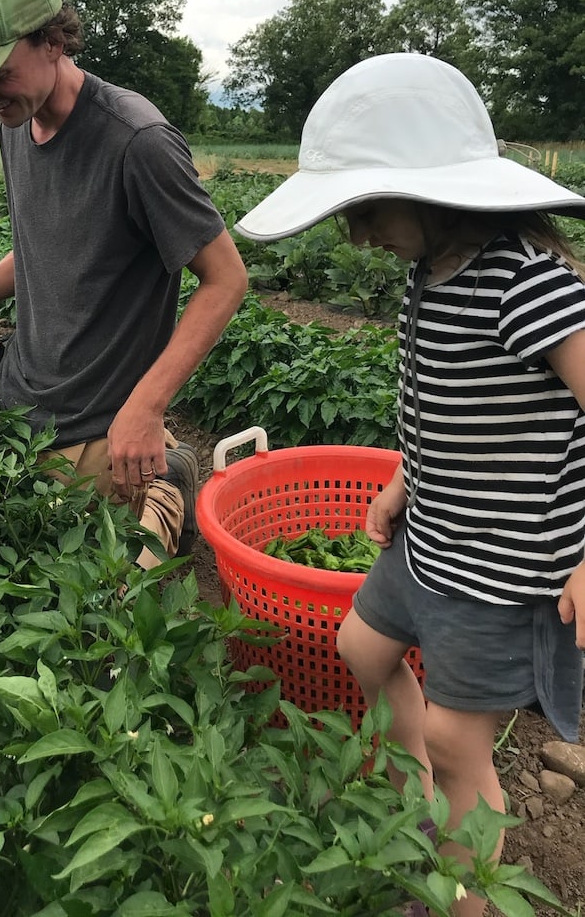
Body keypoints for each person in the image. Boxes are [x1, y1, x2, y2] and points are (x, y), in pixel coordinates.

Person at [235, 52, 585, 917]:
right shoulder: (429, 277)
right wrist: (403, 477)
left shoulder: (524, 284)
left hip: (503, 564)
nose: (358, 235)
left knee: (456, 738)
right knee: (361, 649)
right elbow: (443, 405)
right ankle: (416, 811)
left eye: (368, 210)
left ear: (435, 195)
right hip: (432, 533)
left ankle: (465, 899)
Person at [0, 0, 247, 567]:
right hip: (18, 403)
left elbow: (226, 280)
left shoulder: (136, 141)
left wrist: (144, 409)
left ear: (53, 42)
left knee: (106, 627)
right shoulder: (15, 120)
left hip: (100, 420)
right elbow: (48, 247)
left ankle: (160, 465)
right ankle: (158, 472)